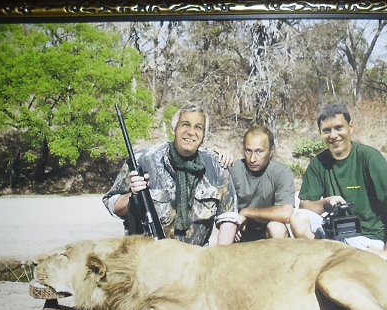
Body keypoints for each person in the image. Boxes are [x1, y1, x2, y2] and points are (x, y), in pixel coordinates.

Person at [103, 103, 240, 246]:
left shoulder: (217, 167)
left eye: (198, 127)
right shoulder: (142, 161)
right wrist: (132, 195)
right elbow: (113, 205)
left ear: (204, 135)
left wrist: (218, 255)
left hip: (196, 257)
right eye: (185, 125)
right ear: (174, 129)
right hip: (149, 254)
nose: (191, 132)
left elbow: (228, 217)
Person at [290, 103, 387, 264]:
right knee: (298, 218)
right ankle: (319, 263)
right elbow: (304, 206)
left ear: (351, 127)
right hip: (335, 236)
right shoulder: (318, 163)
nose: (333, 135)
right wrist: (325, 203)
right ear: (320, 133)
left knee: (362, 272)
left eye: (338, 128)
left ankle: (380, 258)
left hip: (369, 238)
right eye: (326, 130)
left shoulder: (368, 157)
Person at [229, 126, 295, 242]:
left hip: (267, 231)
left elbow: (286, 213)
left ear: (271, 150)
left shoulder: (281, 172)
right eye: (248, 151)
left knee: (276, 228)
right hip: (240, 229)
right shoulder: (234, 169)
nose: (252, 159)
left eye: (259, 151)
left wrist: (246, 212)